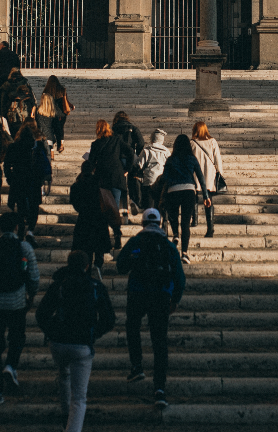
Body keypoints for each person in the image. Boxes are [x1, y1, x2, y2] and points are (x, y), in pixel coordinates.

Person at [36, 250, 115, 432]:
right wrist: (93, 334)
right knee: (79, 398)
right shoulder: (95, 286)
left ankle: (65, 415)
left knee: (64, 373)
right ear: (87, 266)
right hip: (81, 345)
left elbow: (41, 314)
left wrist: (52, 331)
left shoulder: (59, 285)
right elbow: (109, 319)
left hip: (58, 343)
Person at [117, 208, 185, 410]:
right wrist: (175, 299)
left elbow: (120, 266)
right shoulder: (167, 245)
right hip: (161, 296)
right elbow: (179, 276)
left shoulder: (136, 241)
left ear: (143, 223)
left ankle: (137, 365)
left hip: (137, 293)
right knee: (159, 342)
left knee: (132, 327)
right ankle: (160, 389)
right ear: (161, 223)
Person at [0, 211, 40, 407]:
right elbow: (34, 277)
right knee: (17, 337)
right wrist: (30, 295)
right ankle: (11, 365)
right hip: (16, 302)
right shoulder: (24, 247)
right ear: (16, 227)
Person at [160, 134, 210, 263]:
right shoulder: (192, 159)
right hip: (189, 190)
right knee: (186, 223)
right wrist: (206, 195)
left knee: (173, 216)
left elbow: (164, 178)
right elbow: (201, 178)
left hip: (173, 190)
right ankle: (184, 253)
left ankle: (175, 234)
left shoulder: (170, 159)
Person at [86, 119, 135, 250]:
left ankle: (106, 236)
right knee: (114, 208)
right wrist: (127, 169)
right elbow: (130, 152)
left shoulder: (95, 144)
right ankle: (117, 233)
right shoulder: (117, 140)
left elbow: (91, 162)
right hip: (117, 177)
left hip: (102, 179)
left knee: (103, 208)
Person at [3, 118, 52, 247]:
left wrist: (10, 178)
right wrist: (44, 177)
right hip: (34, 181)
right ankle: (30, 231)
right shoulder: (37, 146)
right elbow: (45, 160)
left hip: (18, 181)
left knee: (20, 206)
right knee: (34, 205)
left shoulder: (14, 146)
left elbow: (7, 164)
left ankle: (20, 230)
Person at [69, 160, 111, 279]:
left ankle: (85, 271)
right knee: (98, 248)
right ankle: (98, 267)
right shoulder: (99, 183)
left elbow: (75, 203)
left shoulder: (77, 185)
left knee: (84, 248)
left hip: (84, 220)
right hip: (99, 220)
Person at [190, 121, 224, 238]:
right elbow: (217, 159)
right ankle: (210, 227)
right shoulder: (212, 142)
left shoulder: (192, 143)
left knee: (194, 195)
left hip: (195, 173)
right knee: (208, 197)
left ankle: (194, 220)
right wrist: (220, 172)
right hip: (209, 173)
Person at [112, 111, 146, 213]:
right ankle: (133, 199)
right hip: (130, 157)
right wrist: (138, 153)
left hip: (117, 158)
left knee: (118, 183)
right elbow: (141, 142)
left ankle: (119, 205)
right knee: (133, 177)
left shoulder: (113, 129)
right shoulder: (133, 128)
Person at [136, 129, 169, 212]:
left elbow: (140, 165)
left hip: (149, 180)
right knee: (159, 201)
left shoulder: (146, 150)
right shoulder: (166, 151)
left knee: (149, 204)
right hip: (161, 179)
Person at [42, 75, 74, 154]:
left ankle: (51, 148)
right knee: (60, 129)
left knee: (51, 130)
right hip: (61, 113)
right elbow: (65, 100)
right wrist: (71, 106)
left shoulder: (46, 90)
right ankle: (61, 145)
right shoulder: (62, 89)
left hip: (50, 113)